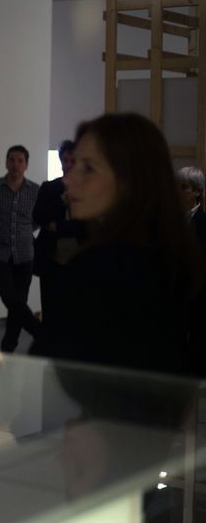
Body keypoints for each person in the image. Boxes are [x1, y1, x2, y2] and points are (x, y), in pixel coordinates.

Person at [31, 113, 203, 376]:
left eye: (88, 168)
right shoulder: (176, 254)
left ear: (129, 179)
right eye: (73, 164)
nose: (69, 179)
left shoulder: (97, 269)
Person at [0, 145, 41, 352]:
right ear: (6, 162)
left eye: (20, 160)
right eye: (12, 160)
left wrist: (24, 232)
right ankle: (41, 333)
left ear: (26, 165)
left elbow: (37, 220)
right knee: (9, 297)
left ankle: (7, 348)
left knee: (18, 302)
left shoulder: (35, 191)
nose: (15, 164)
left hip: (25, 254)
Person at [32, 140, 84, 321]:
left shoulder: (88, 191)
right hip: (51, 260)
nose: (68, 165)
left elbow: (87, 226)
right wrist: (63, 199)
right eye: (65, 160)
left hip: (79, 260)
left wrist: (58, 227)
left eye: (73, 161)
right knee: (50, 310)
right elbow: (38, 216)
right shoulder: (49, 187)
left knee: (75, 312)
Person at [176, 166, 206, 247]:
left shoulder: (203, 221)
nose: (178, 191)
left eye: (184, 187)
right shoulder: (171, 216)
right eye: (176, 186)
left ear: (198, 191)